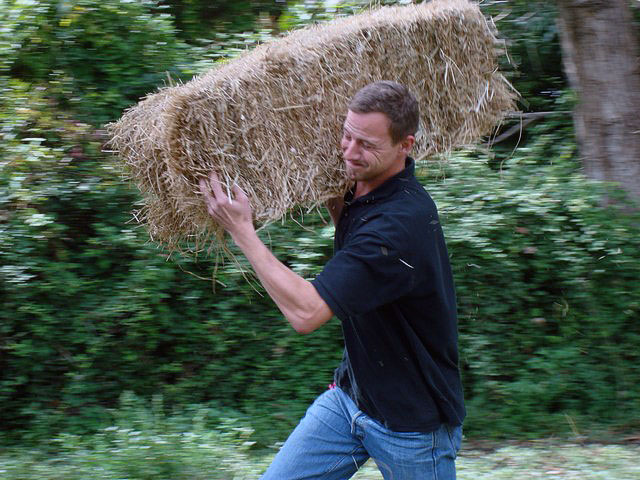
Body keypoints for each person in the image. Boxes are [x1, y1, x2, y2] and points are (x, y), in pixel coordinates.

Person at [199, 81, 465, 480]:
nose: (349, 152)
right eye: (346, 135)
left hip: (413, 424)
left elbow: (306, 313)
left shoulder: (399, 226)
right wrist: (331, 196)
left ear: (405, 145)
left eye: (366, 145)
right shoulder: (366, 190)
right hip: (350, 400)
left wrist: (242, 230)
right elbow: (355, 241)